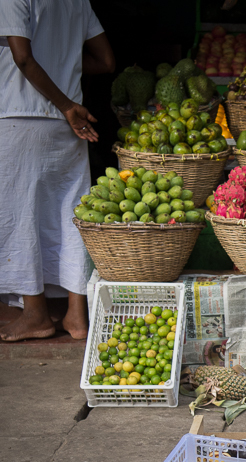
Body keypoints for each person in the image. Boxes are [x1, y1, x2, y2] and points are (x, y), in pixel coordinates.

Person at [0, 0, 115, 342]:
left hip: (23, 116)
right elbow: (106, 61)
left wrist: (63, 103)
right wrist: (63, 70)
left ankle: (35, 314)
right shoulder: (76, 0)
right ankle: (76, 316)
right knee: (70, 215)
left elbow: (22, 57)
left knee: (21, 217)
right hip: (69, 125)